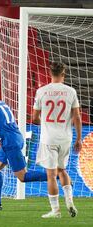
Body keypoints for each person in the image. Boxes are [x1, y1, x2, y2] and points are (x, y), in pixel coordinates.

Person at [0, 83, 48, 211]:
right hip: (13, 138)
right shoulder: (0, 103)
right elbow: (7, 125)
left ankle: (57, 175)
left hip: (11, 142)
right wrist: (1, 141)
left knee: (22, 177)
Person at [33, 62, 81, 218]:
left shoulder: (41, 91)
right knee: (62, 170)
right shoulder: (71, 91)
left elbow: (34, 118)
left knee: (51, 175)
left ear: (50, 73)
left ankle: (55, 210)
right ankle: (70, 201)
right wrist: (79, 139)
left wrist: (45, 123)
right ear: (64, 73)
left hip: (49, 138)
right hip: (66, 138)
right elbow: (77, 117)